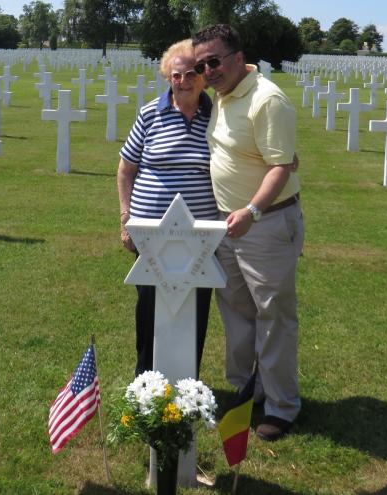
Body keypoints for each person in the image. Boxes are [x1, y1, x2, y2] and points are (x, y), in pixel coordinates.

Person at [192, 24, 304, 441]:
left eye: (214, 61)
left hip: (266, 223)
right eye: (202, 64)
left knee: (273, 315)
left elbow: (279, 165)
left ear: (239, 58)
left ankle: (282, 406)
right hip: (229, 224)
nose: (208, 70)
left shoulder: (266, 99)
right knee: (237, 313)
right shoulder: (223, 97)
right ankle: (245, 390)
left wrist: (253, 210)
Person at [117, 39, 217, 377]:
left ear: (203, 76)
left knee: (196, 305)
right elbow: (126, 168)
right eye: (176, 75)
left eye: (191, 73)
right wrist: (125, 218)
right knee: (149, 304)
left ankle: (188, 382)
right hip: (151, 232)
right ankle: (145, 378)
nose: (183, 80)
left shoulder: (217, 117)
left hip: (200, 234)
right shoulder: (150, 113)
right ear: (166, 77)